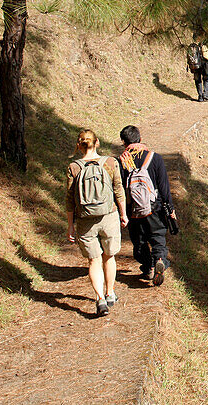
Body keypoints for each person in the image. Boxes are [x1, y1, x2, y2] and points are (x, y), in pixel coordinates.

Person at [66, 130, 128, 316]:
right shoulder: (110, 162)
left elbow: (69, 199)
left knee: (93, 260)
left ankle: (100, 299)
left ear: (79, 145)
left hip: (85, 220)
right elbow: (118, 190)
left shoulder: (74, 167)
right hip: (108, 216)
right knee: (109, 256)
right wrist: (123, 214)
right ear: (97, 143)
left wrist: (70, 225)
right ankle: (110, 293)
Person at [118, 125, 175, 286]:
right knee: (157, 237)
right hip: (154, 207)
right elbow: (164, 186)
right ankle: (159, 260)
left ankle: (148, 266)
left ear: (124, 142)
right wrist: (170, 209)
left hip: (132, 209)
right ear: (140, 139)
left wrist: (121, 212)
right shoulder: (154, 158)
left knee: (139, 241)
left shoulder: (121, 160)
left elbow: (119, 188)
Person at [186, 34, 208, 102]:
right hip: (203, 66)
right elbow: (207, 56)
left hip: (195, 66)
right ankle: (205, 94)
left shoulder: (191, 46)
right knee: (206, 79)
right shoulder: (202, 45)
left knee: (197, 81)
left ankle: (200, 96)